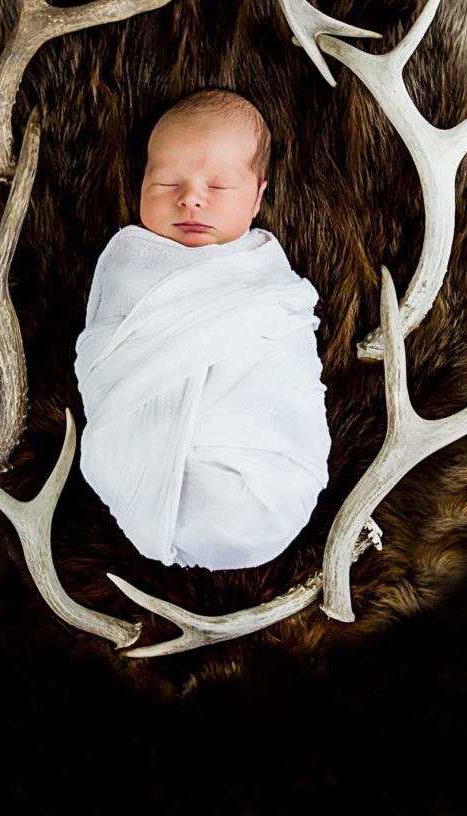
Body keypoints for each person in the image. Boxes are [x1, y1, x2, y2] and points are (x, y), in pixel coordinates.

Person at [75, 88, 331, 570]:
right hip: (141, 461)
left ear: (257, 197)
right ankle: (163, 486)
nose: (191, 198)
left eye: (218, 187)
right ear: (140, 185)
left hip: (260, 467)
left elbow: (283, 364)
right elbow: (106, 355)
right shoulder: (130, 262)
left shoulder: (265, 280)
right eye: (166, 182)